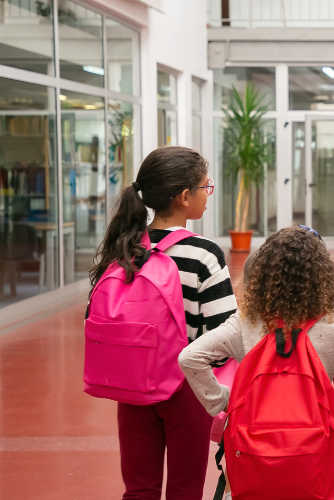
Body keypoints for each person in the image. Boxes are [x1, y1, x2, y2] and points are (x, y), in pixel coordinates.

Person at [177, 225, 334, 499]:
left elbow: (190, 358)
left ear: (262, 274)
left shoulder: (245, 324)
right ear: (322, 277)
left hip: (251, 451)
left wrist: (224, 402)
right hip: (313, 455)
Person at [89, 146, 237, 500]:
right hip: (186, 389)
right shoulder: (204, 253)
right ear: (185, 197)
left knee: (139, 488)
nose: (208, 194)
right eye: (206, 187)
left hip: (132, 386)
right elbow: (224, 336)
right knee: (185, 489)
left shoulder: (123, 246)